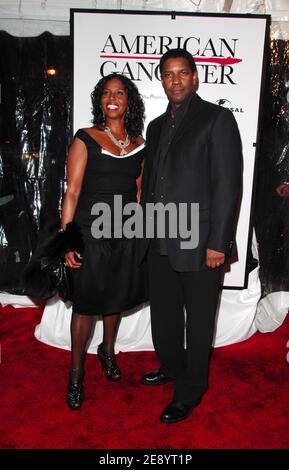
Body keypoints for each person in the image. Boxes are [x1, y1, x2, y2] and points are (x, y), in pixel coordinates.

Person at [139, 48, 242, 423]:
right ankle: (171, 366)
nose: (176, 80)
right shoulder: (155, 126)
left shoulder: (216, 118)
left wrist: (219, 242)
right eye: (168, 74)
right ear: (162, 80)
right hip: (159, 237)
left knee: (198, 320)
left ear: (195, 77)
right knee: (164, 315)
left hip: (201, 243)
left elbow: (227, 184)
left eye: (183, 73)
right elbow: (151, 183)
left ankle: (192, 387)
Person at [62, 73, 147, 410]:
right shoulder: (86, 138)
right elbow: (72, 191)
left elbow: (138, 193)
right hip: (90, 233)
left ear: (129, 100)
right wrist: (68, 241)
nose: (113, 98)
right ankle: (75, 374)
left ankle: (108, 352)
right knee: (85, 304)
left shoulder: (140, 144)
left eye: (120, 93)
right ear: (100, 100)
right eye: (106, 93)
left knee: (116, 298)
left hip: (125, 233)